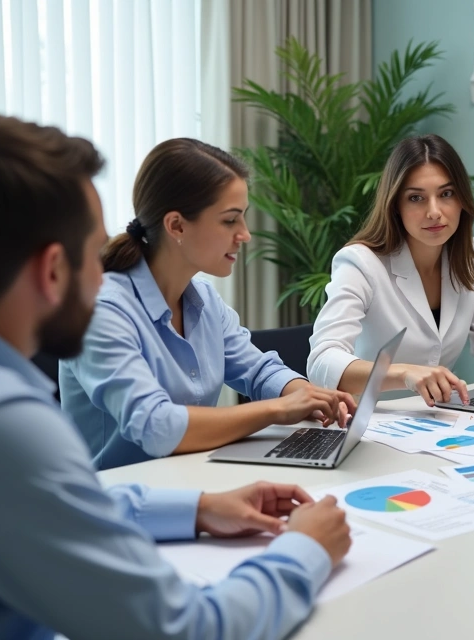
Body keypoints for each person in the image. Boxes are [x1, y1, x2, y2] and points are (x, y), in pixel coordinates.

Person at [0, 114, 352, 638]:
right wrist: (304, 551)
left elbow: (53, 504)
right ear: (53, 268)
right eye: (93, 249)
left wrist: (197, 508)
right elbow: (186, 629)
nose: (103, 269)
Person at [59, 139, 355, 470]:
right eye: (230, 220)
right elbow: (155, 426)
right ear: (177, 225)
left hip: (191, 479)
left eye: (243, 218)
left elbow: (257, 370)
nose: (245, 234)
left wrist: (307, 395)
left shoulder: (203, 299)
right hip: (118, 502)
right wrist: (278, 409)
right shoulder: (101, 311)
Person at [308, 134, 474, 407]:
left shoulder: (472, 254)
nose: (434, 212)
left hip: (439, 419)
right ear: (395, 205)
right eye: (416, 198)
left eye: (446, 194)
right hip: (372, 420)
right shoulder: (360, 263)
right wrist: (405, 373)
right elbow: (322, 361)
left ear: (462, 200)